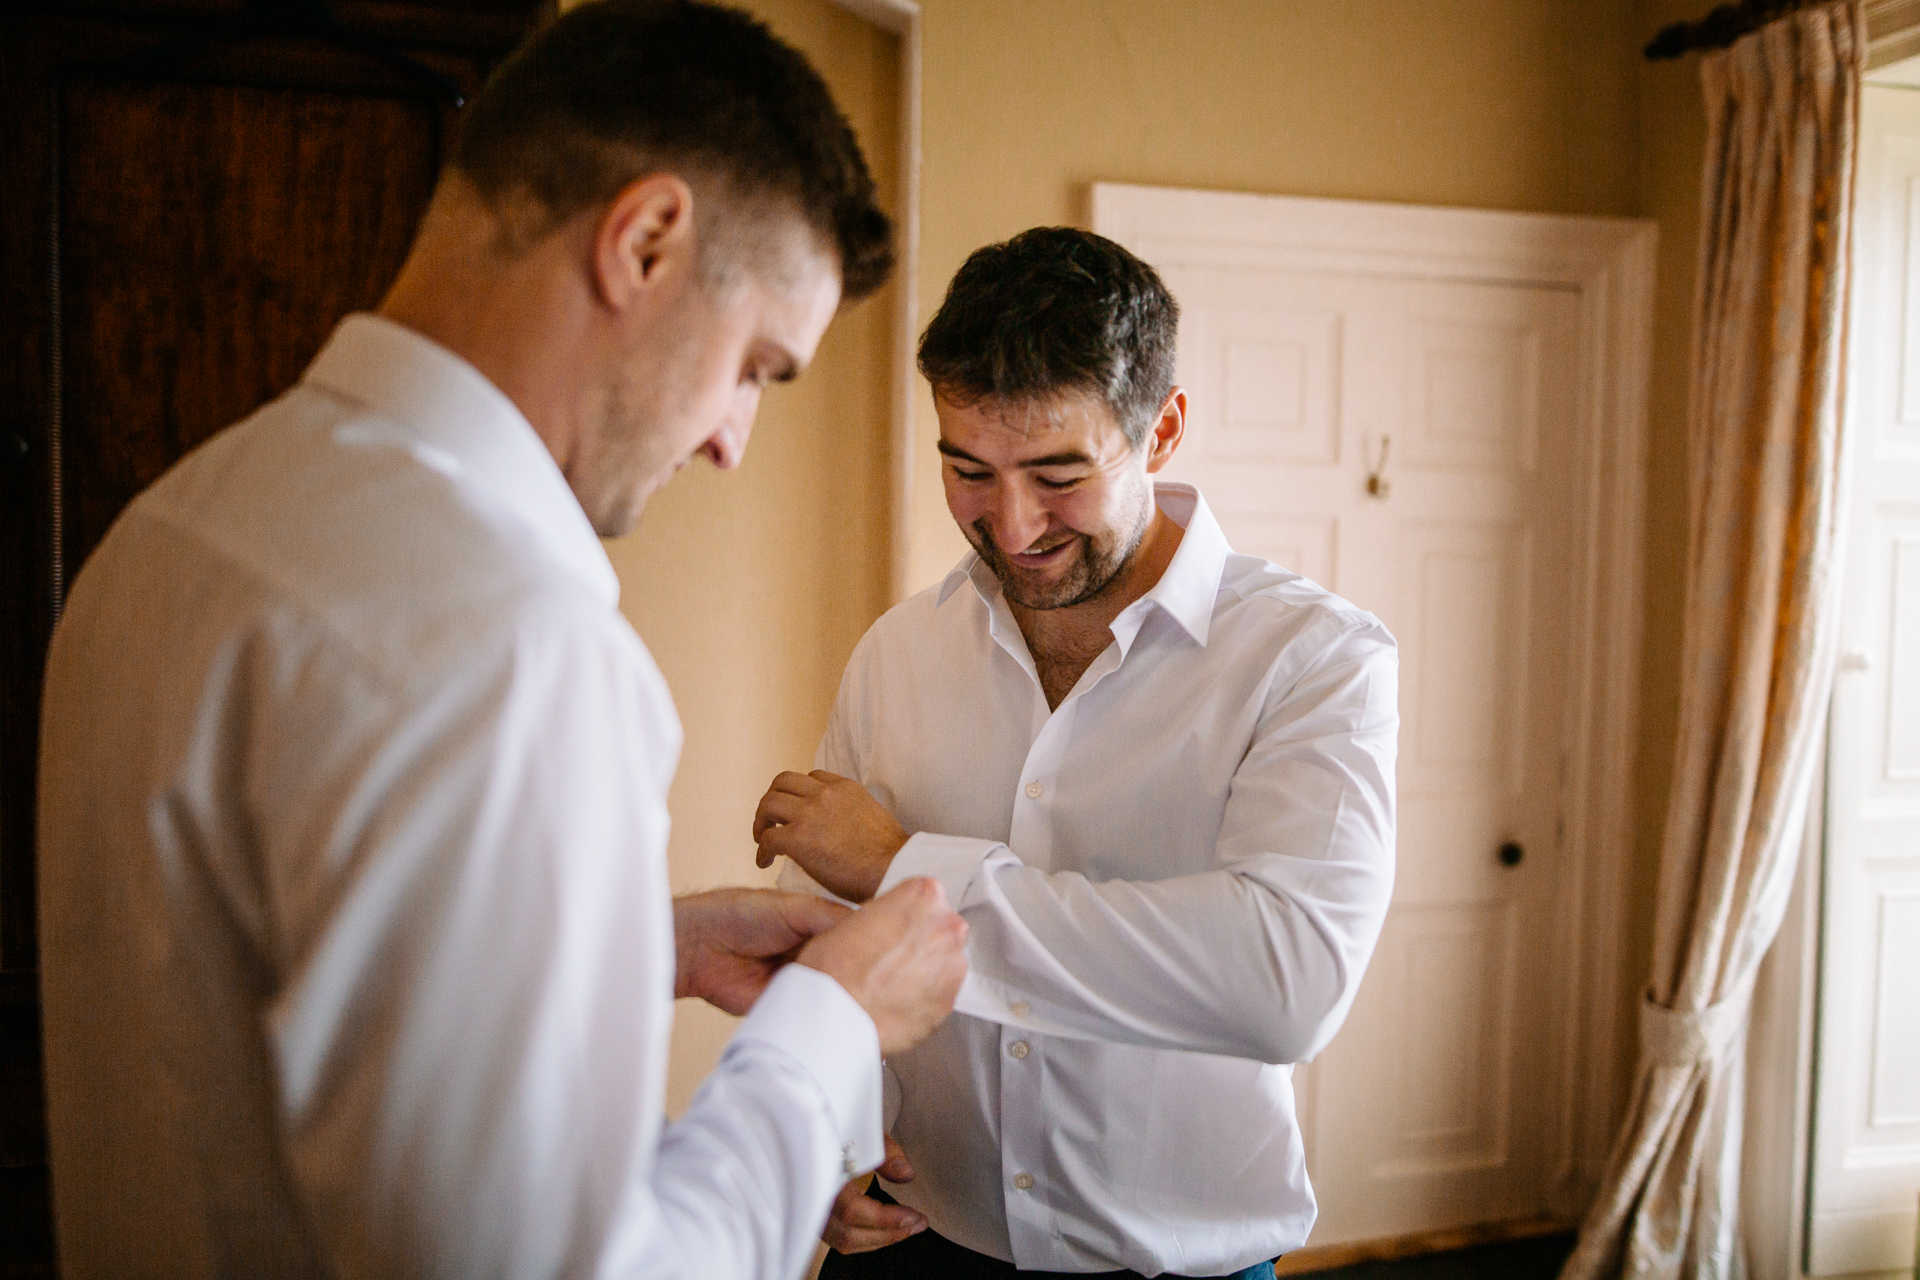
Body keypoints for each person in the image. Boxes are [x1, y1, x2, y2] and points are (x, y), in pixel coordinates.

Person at [35, 3, 969, 1278]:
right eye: (753, 363)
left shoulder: (176, 524)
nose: (731, 439)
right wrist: (832, 1025)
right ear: (644, 241)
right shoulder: (515, 648)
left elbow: (262, 994)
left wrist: (636, 943)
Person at [753, 227, 1399, 1280]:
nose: (1011, 525)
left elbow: (1285, 983)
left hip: (1180, 1263)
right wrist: (816, 1134)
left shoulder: (1312, 659)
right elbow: (826, 936)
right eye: (968, 469)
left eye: (1059, 472)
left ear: (1164, 428)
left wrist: (911, 865)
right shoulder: (898, 652)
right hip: (916, 1243)